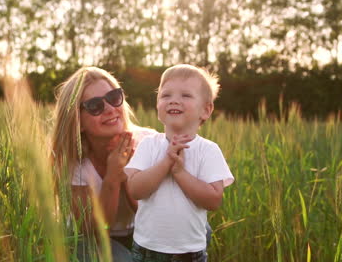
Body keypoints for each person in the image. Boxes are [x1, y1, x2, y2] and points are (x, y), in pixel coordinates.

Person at [125, 64, 235, 262]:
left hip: (190, 254)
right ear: (158, 106)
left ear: (206, 110)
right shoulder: (149, 145)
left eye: (186, 95)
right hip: (146, 251)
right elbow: (134, 190)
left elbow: (213, 200)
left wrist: (180, 173)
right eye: (166, 95)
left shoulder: (208, 150)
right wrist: (166, 162)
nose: (174, 100)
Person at [50, 66, 156, 261]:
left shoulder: (149, 142)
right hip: (95, 239)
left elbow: (155, 220)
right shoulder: (73, 162)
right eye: (95, 105)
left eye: (114, 97)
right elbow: (96, 234)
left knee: (200, 231)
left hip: (142, 231)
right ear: (78, 121)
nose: (109, 109)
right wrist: (112, 177)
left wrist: (129, 174)